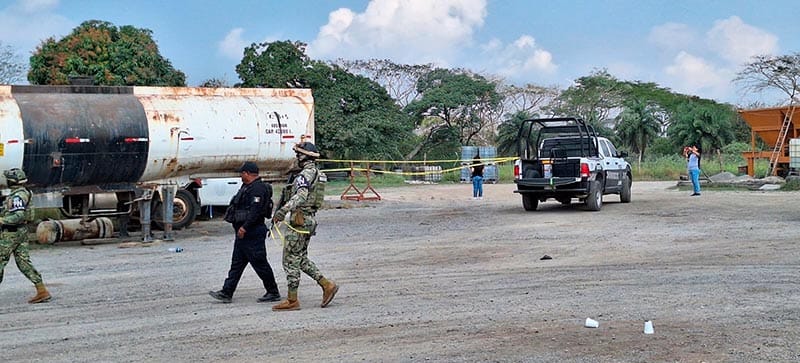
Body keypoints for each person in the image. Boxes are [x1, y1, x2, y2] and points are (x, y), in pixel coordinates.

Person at [271, 142, 338, 311]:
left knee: (290, 259)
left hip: (299, 221)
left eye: (298, 155)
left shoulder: (304, 175)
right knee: (300, 258)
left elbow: (301, 196)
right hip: (308, 220)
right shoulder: (317, 173)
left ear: (303, 157)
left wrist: (282, 211)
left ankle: (292, 300)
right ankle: (326, 285)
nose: (296, 158)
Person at [209, 161, 281, 303]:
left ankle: (273, 292)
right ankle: (227, 292)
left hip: (252, 232)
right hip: (243, 233)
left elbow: (255, 212)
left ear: (247, 173)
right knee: (236, 264)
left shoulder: (258, 189)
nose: (241, 176)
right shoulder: (247, 187)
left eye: (242, 173)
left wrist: (244, 227)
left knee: (260, 264)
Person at [0, 168, 51, 303]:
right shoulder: (24, 192)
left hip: (11, 232)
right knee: (23, 262)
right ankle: (42, 290)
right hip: (21, 232)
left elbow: (18, 215)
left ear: (11, 182)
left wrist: (2, 220)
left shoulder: (17, 196)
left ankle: (42, 291)